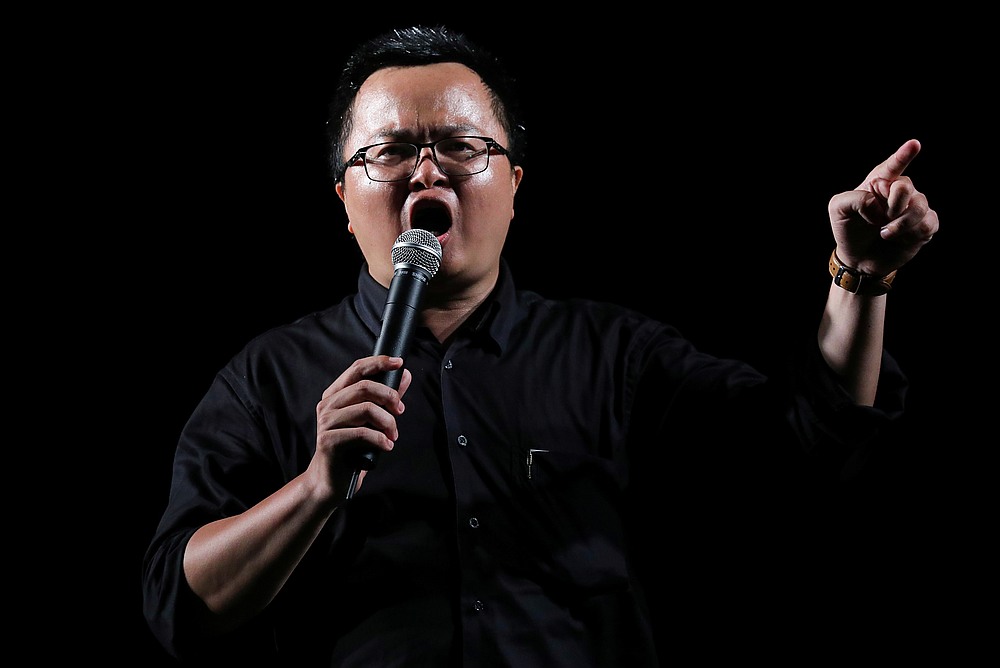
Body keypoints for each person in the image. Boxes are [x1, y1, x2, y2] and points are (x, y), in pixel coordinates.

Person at [141, 24, 939, 666]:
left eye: (461, 146)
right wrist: (315, 486)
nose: (428, 173)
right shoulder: (266, 377)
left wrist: (858, 279)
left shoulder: (613, 355)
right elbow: (181, 606)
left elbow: (804, 449)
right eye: (388, 152)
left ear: (514, 186)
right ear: (345, 198)